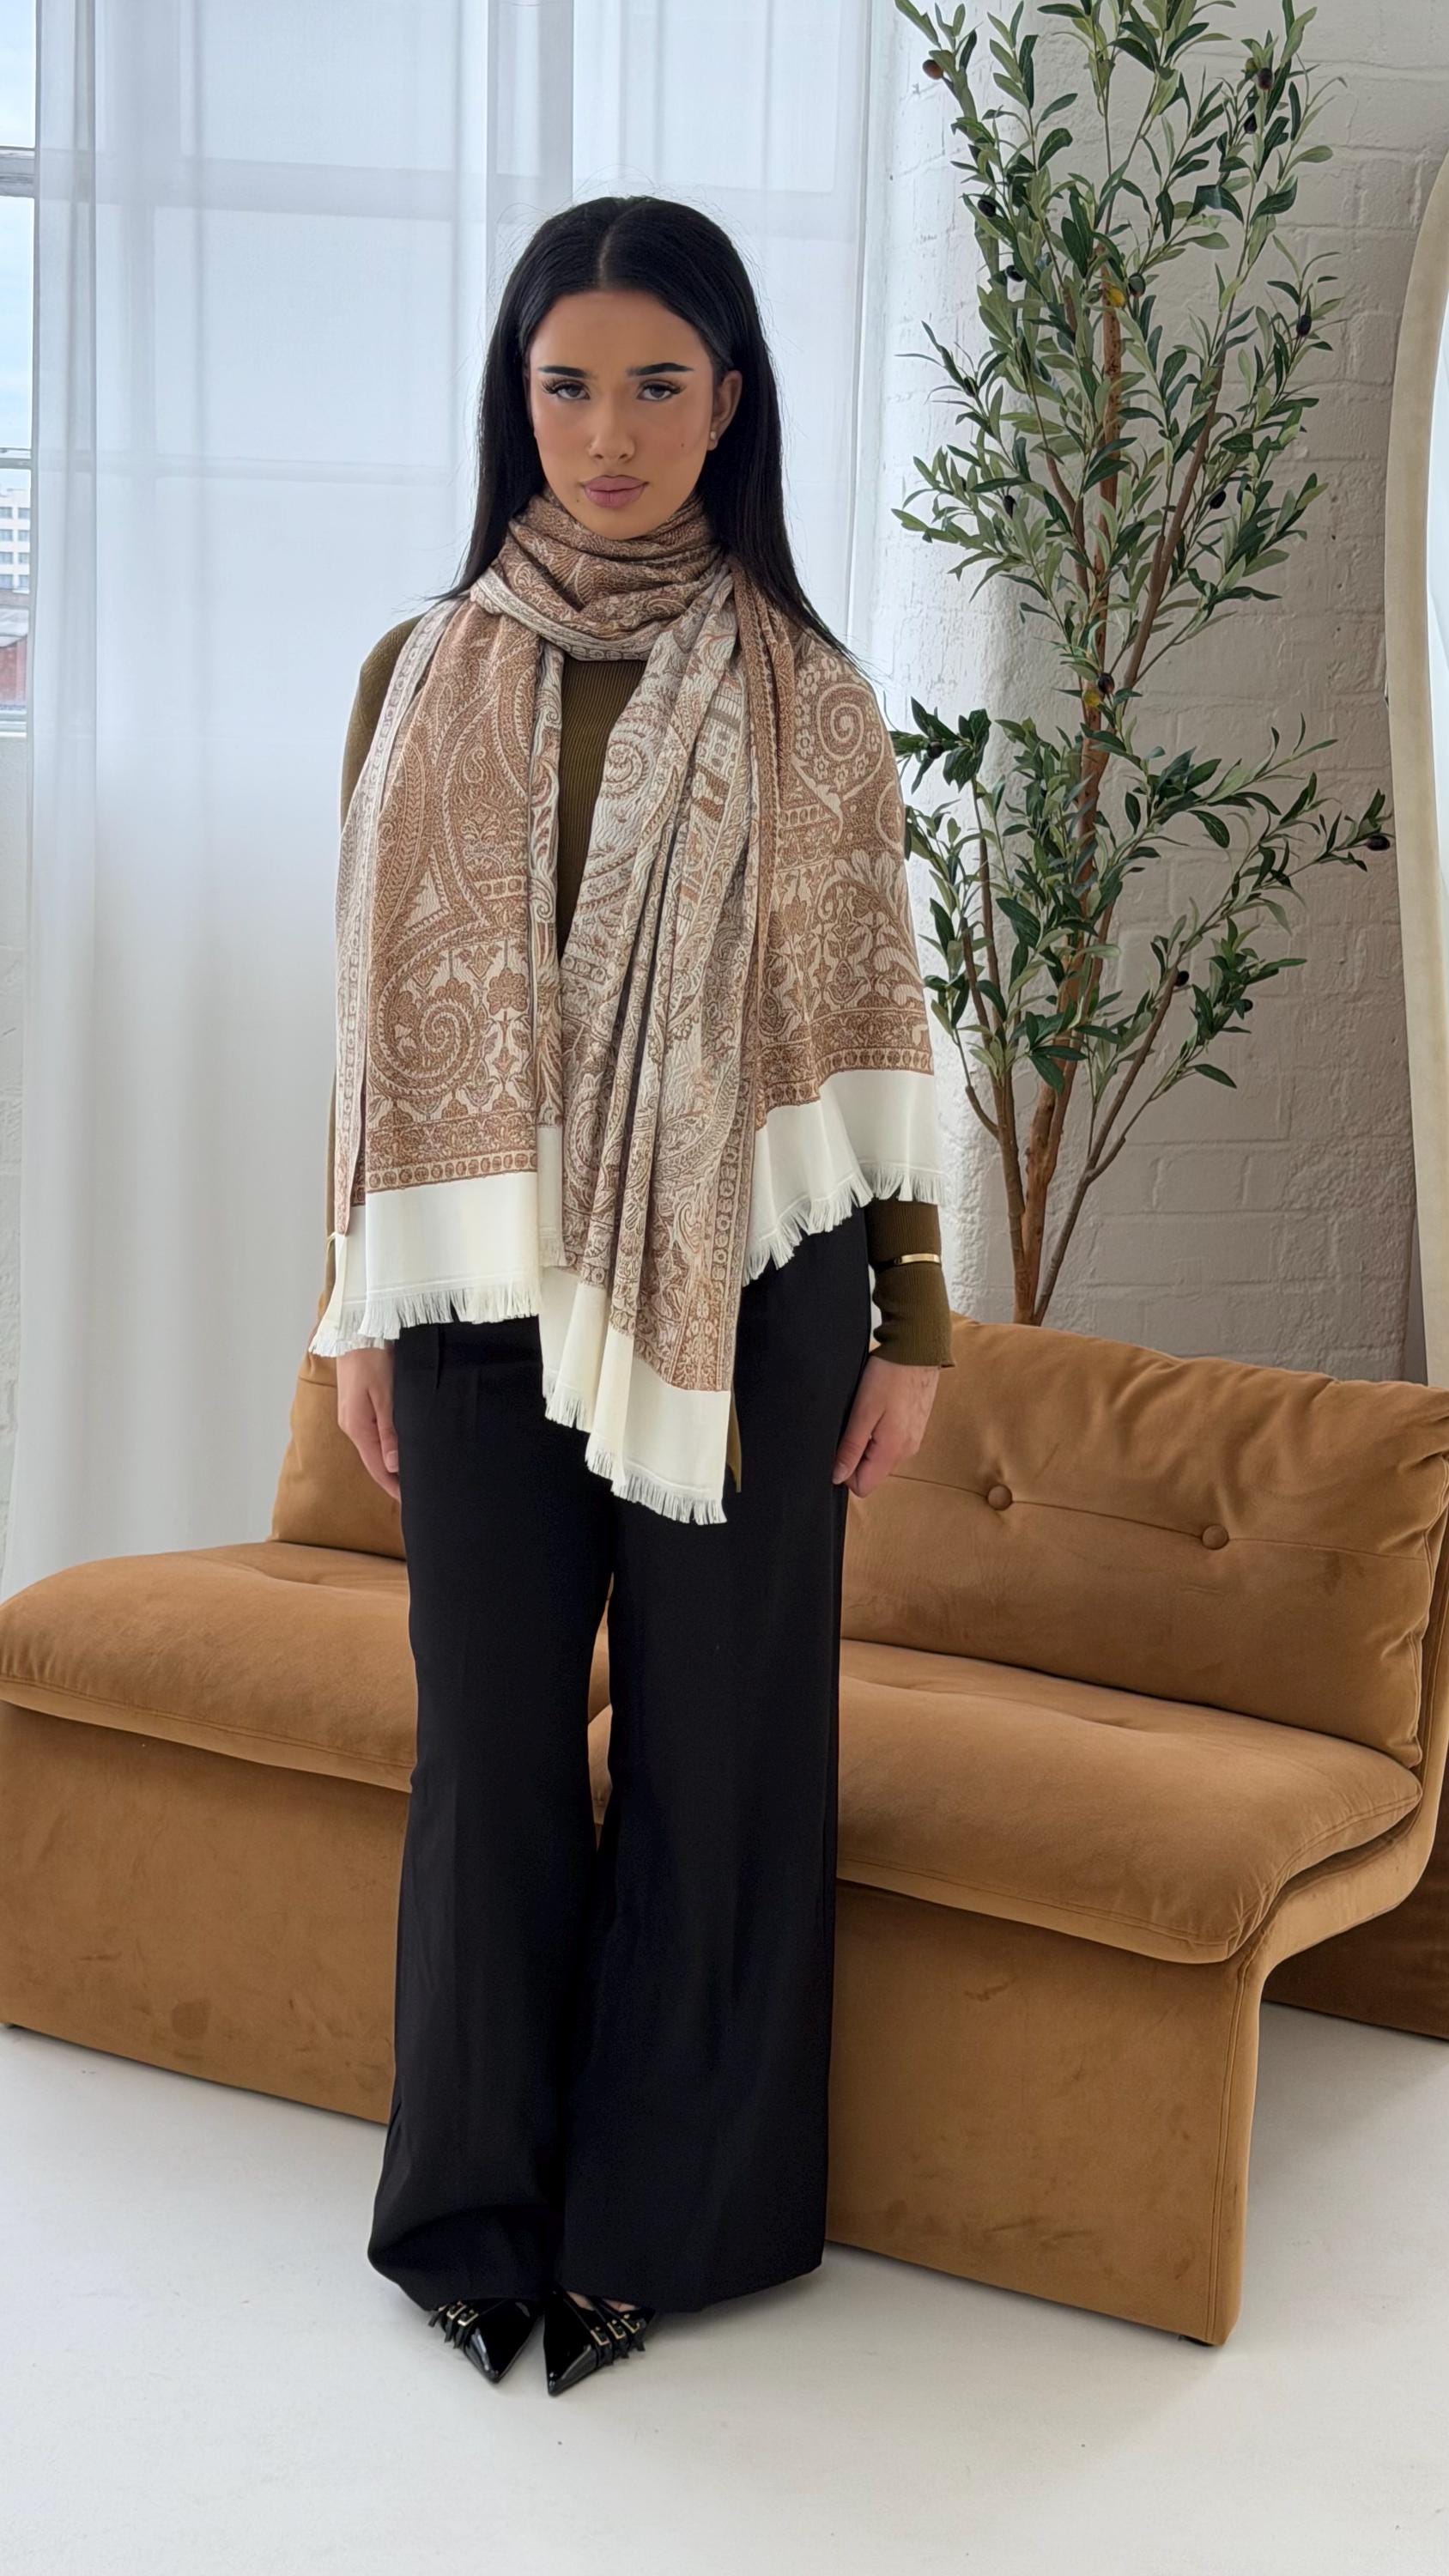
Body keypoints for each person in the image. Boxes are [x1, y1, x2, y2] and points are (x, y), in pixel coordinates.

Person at [317, 193, 955, 2397]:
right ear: (517, 402)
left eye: (656, 385)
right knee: (489, 1748)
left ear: (729, 403)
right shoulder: (417, 672)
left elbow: (876, 1023)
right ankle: (471, 2210)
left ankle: (670, 2226)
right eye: (567, 384)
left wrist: (914, 1332)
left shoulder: (808, 694)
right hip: (474, 1292)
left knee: (724, 1751)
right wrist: (355, 1307)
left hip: (753, 1294)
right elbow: (367, 1036)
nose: (608, 434)